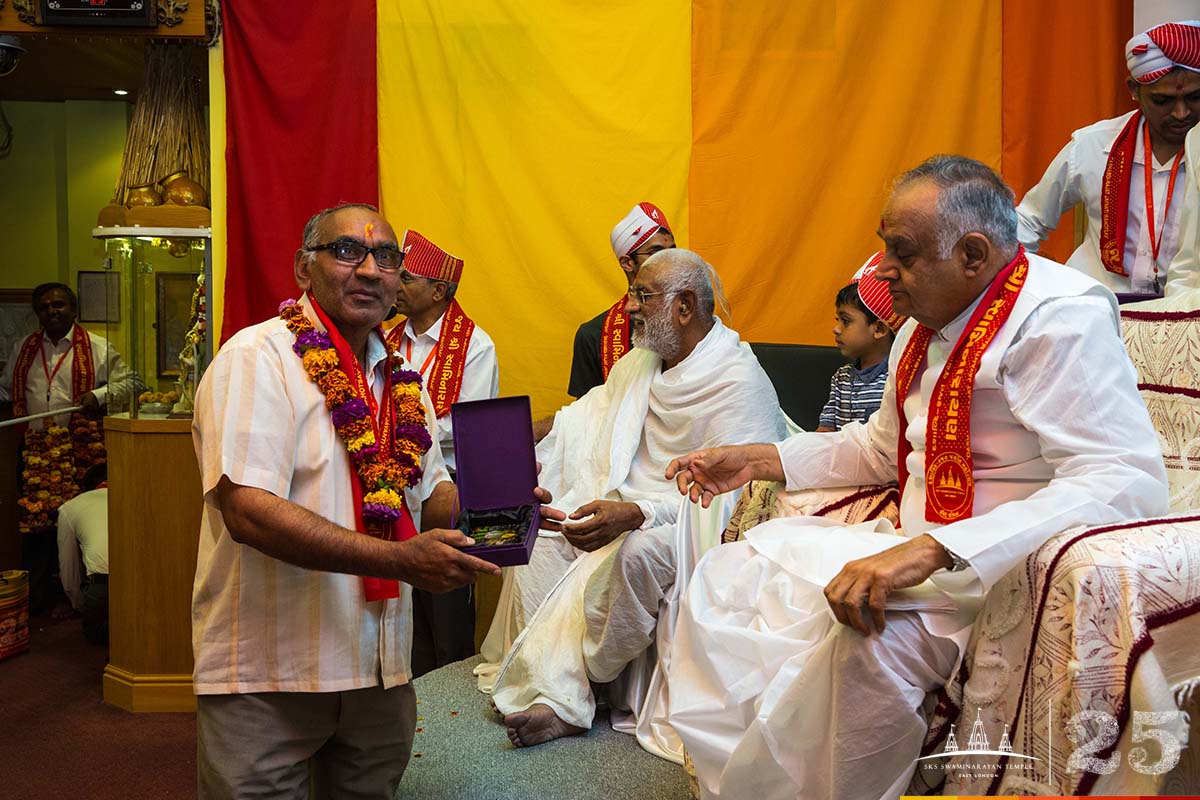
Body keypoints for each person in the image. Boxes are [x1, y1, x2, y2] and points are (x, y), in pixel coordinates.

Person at [666, 156, 1169, 800]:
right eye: (885, 249)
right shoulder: (918, 329)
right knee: (731, 577)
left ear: (973, 255)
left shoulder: (1057, 316)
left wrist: (935, 549)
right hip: (918, 547)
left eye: (901, 254)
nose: (881, 272)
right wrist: (762, 458)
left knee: (866, 643)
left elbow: (1122, 478)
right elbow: (882, 451)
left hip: (1001, 572)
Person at [191, 203, 558, 799]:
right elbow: (248, 511)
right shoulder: (257, 359)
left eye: (386, 257)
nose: (369, 270)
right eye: (346, 251)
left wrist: (500, 505)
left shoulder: (403, 380)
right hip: (271, 676)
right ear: (303, 268)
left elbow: (432, 495)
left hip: (380, 672)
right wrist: (399, 560)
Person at [484, 249, 788, 749]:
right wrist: (513, 437)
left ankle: (579, 690)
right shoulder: (639, 364)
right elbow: (581, 420)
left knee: (637, 554)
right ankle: (551, 681)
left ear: (684, 306)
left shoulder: (738, 381)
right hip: (625, 501)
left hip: (698, 522)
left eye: (642, 296)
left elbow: (739, 497)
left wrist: (639, 514)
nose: (628, 308)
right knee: (543, 538)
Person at [384, 229, 500, 676]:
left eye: (406, 278)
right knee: (401, 611)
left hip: (447, 492)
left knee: (446, 615)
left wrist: (402, 428)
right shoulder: (385, 339)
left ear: (438, 291)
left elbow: (467, 428)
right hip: (389, 488)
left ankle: (447, 709)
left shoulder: (475, 345)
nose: (395, 285)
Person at [1016, 20, 1200, 296]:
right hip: (1096, 302)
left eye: (1195, 97)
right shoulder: (1093, 144)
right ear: (1134, 90)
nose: (1181, 113)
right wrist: (1019, 287)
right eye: (1162, 101)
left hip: (1184, 306)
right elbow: (1030, 220)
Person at [0, 282, 134, 613]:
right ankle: (40, 599)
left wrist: (98, 396)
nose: (52, 311)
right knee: (36, 525)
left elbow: (132, 383)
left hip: (81, 450)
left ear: (73, 309)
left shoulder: (98, 347)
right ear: (37, 313)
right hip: (34, 449)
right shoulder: (23, 348)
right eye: (44, 307)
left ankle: (82, 597)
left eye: (58, 305)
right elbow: (6, 390)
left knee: (79, 521)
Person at [566, 202, 676, 399]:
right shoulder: (593, 336)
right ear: (627, 263)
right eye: (657, 252)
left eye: (673, 251)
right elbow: (586, 413)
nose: (670, 260)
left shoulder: (691, 320)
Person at [816, 252, 905, 432]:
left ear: (879, 329)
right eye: (837, 320)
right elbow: (825, 431)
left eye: (846, 321)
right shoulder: (841, 378)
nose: (836, 329)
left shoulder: (897, 380)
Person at [56, 463, 109, 645]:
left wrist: (78, 603)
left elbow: (68, 566)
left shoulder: (70, 508)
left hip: (102, 588)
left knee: (95, 632)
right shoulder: (138, 498)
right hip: (144, 586)